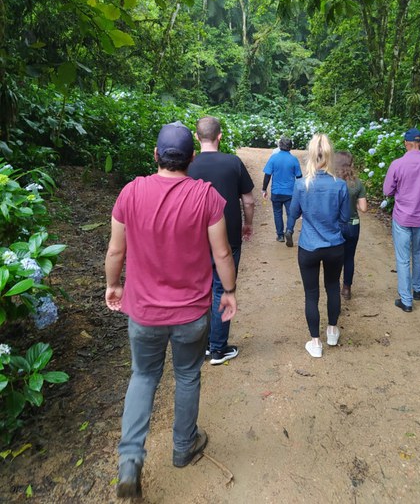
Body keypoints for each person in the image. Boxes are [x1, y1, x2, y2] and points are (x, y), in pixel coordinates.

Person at [105, 121, 237, 499]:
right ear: (192, 158)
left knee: (143, 377)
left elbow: (116, 250)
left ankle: (129, 461)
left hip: (143, 312)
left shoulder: (131, 192)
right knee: (187, 376)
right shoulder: (205, 196)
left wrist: (114, 285)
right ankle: (183, 447)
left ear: (156, 156)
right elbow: (222, 252)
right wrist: (228, 291)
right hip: (191, 314)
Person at [188, 116, 255, 365]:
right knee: (222, 288)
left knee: (199, 288)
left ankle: (200, 345)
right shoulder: (233, 162)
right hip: (228, 237)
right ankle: (217, 348)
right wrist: (248, 224)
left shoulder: (188, 165)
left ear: (197, 137)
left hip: (194, 238)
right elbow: (247, 200)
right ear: (220, 136)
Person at [286, 134, 350, 358]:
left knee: (311, 294)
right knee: (332, 287)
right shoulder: (340, 186)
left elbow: (293, 214)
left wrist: (289, 230)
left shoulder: (301, 185)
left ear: (311, 156)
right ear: (330, 156)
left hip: (309, 246)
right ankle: (332, 331)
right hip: (334, 245)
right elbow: (344, 219)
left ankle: (315, 342)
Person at [383, 127, 420, 313]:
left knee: (403, 259)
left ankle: (406, 300)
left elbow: (387, 191)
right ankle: (418, 289)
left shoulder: (397, 164)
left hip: (402, 217)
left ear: (405, 144)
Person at [334, 151, 367, 300]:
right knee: (349, 257)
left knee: (334, 257)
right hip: (353, 225)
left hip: (336, 225)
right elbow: (364, 208)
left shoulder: (333, 182)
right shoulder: (357, 183)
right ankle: (346, 288)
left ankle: (333, 285)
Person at [262, 136, 302, 244]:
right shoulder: (294, 160)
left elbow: (267, 175)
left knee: (277, 213)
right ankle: (289, 230)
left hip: (276, 192)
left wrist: (264, 189)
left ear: (280, 145)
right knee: (291, 213)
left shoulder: (274, 158)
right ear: (290, 147)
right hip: (290, 192)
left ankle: (280, 235)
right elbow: (299, 177)